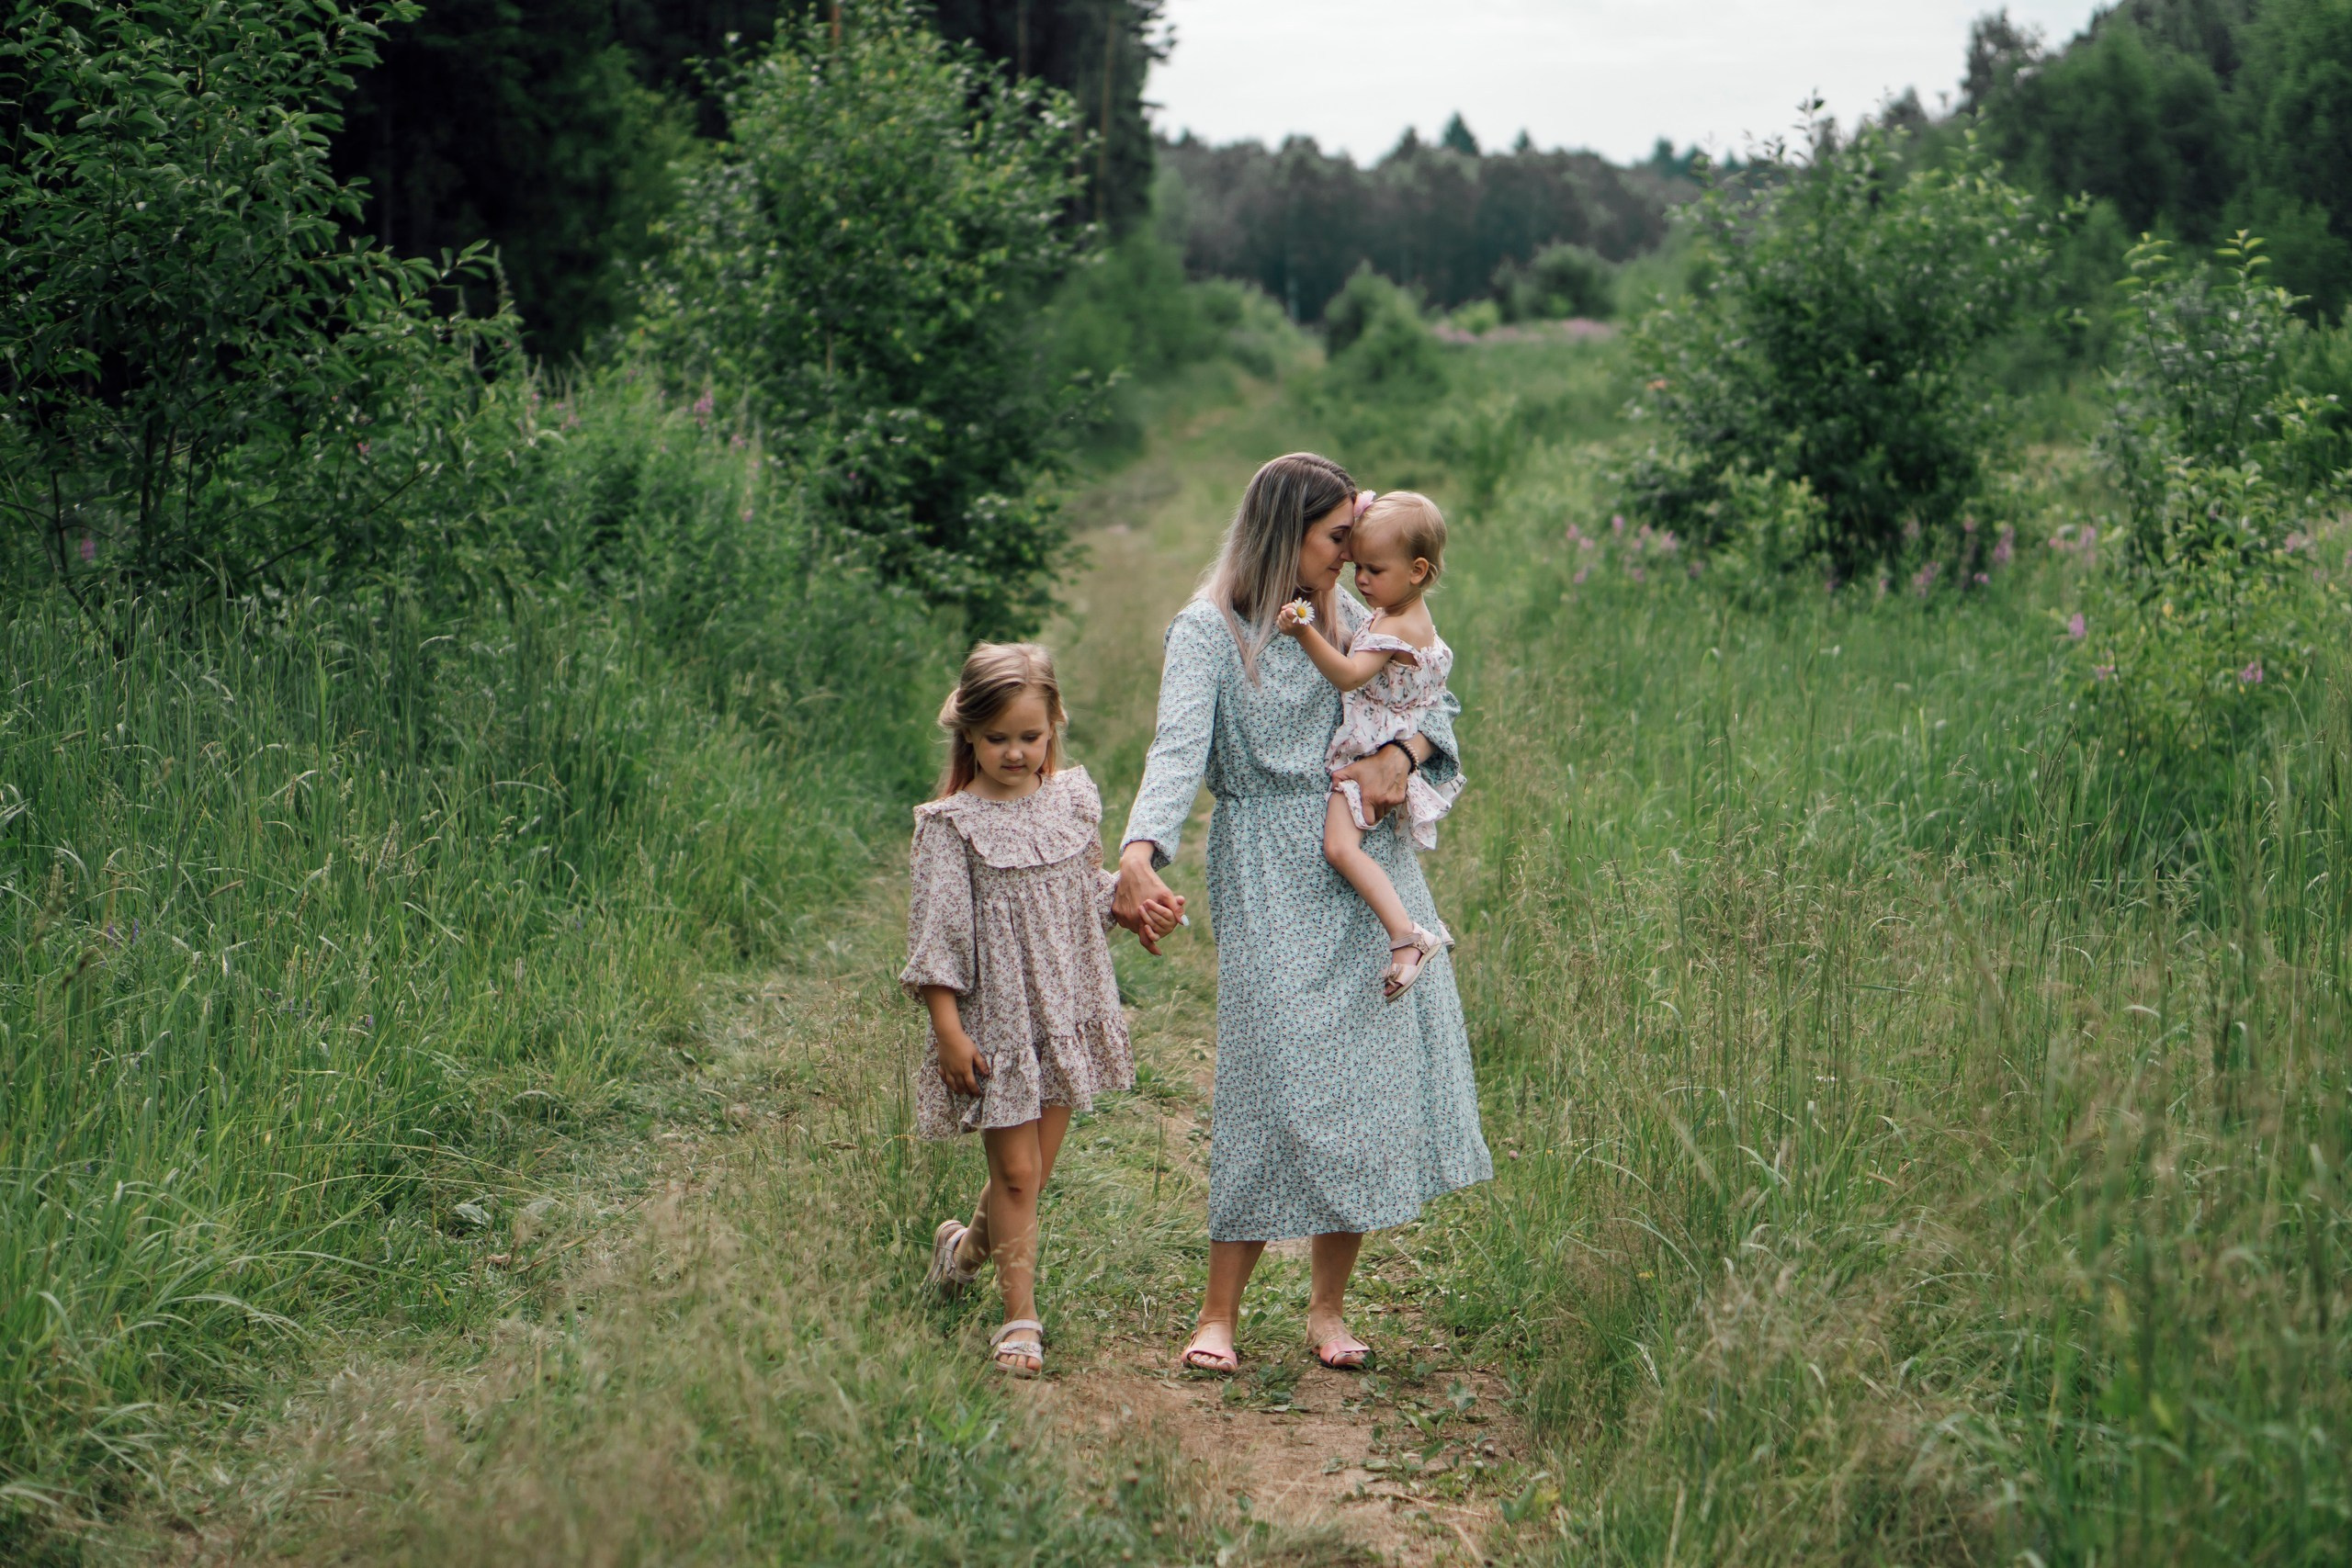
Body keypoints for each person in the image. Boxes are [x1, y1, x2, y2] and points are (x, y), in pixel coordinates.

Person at [1113, 453, 1491, 1375]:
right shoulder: (1208, 631)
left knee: (1359, 1078)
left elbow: (1430, 702)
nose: (1350, 558)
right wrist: (1139, 850)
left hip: (1360, 855)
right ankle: (1218, 1314)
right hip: (1266, 864)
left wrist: (1403, 753)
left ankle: (1328, 1309)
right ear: (1287, 534)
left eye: (1357, 544)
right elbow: (1175, 751)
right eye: (1336, 540)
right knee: (1267, 1080)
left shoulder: (1352, 612)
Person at [902, 642, 1179, 1377]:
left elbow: (1080, 896)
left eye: (1030, 735)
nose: (1016, 752)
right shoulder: (950, 826)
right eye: (997, 738)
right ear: (968, 732)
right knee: (1019, 1174)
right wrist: (947, 1029)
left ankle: (961, 1251)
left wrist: (1132, 906)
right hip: (995, 1023)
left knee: (1028, 1175)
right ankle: (1019, 1320)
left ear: (1054, 723)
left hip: (1062, 1015)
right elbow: (936, 937)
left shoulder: (1072, 801)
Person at [1275, 490, 1464, 998]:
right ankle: (1421, 920)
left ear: (1418, 571)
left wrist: (1304, 631)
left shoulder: (1395, 626)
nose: (1359, 580)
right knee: (1373, 851)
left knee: (1340, 848)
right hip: (1391, 743)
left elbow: (1348, 675)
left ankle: (1408, 936)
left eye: (1374, 570)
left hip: (1371, 751)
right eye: (1357, 566)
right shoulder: (1401, 612)